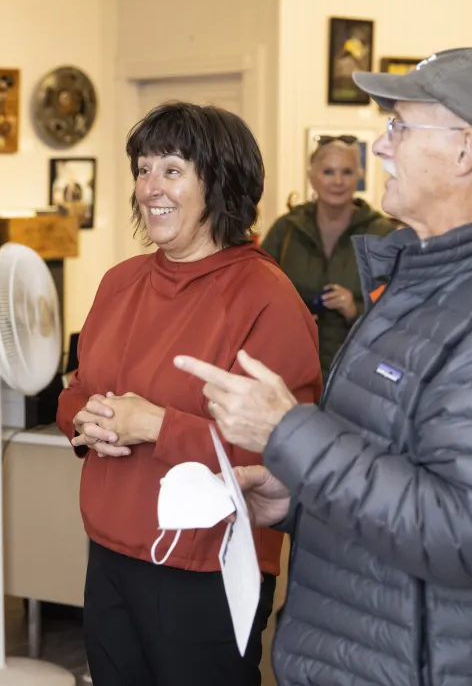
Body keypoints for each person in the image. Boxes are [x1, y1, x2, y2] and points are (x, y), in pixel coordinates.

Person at [175, 48, 472, 685]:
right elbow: (394, 474)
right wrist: (299, 496)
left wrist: (290, 435)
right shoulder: (418, 287)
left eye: (400, 125)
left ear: (465, 149)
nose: (381, 147)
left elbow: (464, 534)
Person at [56, 101, 323, 686]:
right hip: (110, 552)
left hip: (204, 566)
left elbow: (283, 455)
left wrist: (155, 425)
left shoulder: (266, 299)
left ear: (220, 183)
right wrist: (86, 420)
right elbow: (77, 391)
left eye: (171, 169)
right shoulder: (120, 281)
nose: (149, 187)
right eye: (143, 169)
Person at [260, 135, 397, 378]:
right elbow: (257, 293)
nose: (338, 181)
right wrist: (295, 310)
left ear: (359, 176)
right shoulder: (287, 230)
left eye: (346, 172)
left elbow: (397, 306)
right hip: (291, 368)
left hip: (357, 372)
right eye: (328, 172)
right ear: (312, 176)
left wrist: (354, 309)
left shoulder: (380, 234)